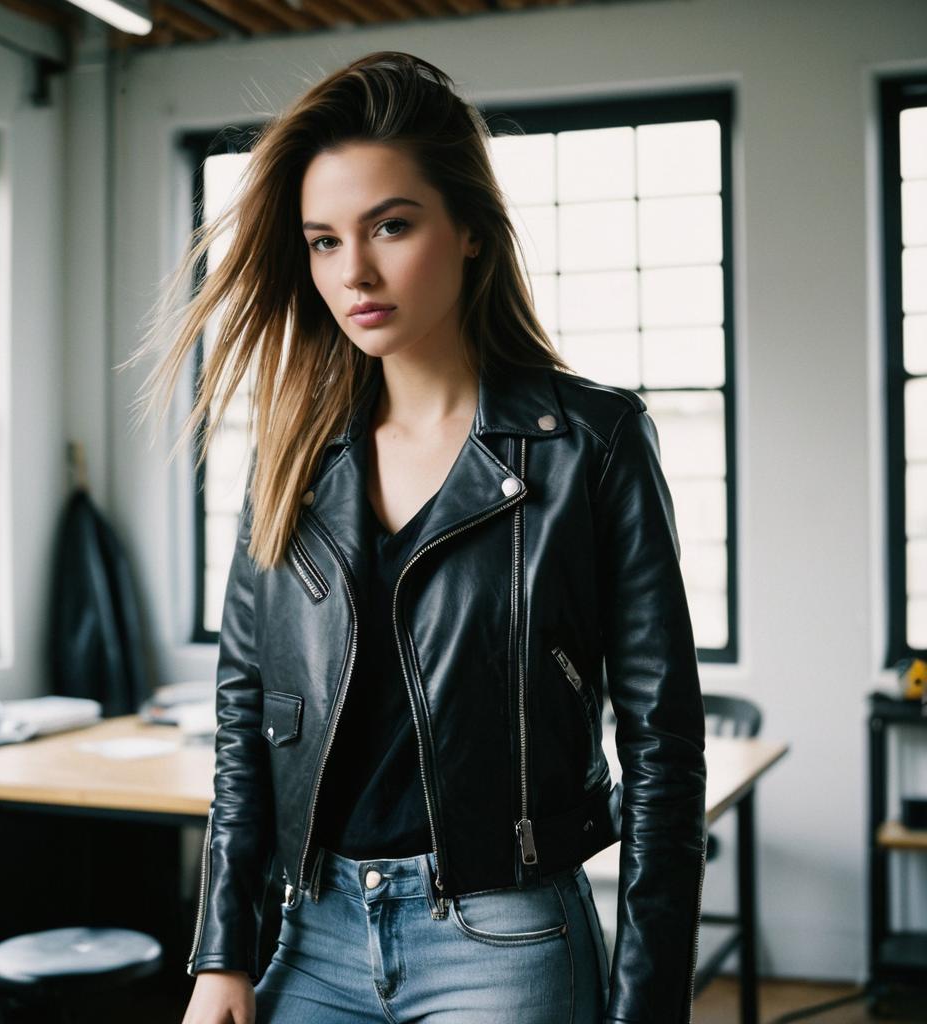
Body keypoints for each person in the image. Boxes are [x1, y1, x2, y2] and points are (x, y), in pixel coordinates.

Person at [125, 50, 707, 1024]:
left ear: (470, 230)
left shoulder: (591, 444)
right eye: (321, 241)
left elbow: (663, 748)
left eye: (390, 225)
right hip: (311, 935)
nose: (353, 271)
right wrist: (220, 952)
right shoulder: (293, 455)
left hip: (505, 939)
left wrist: (647, 1005)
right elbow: (243, 712)